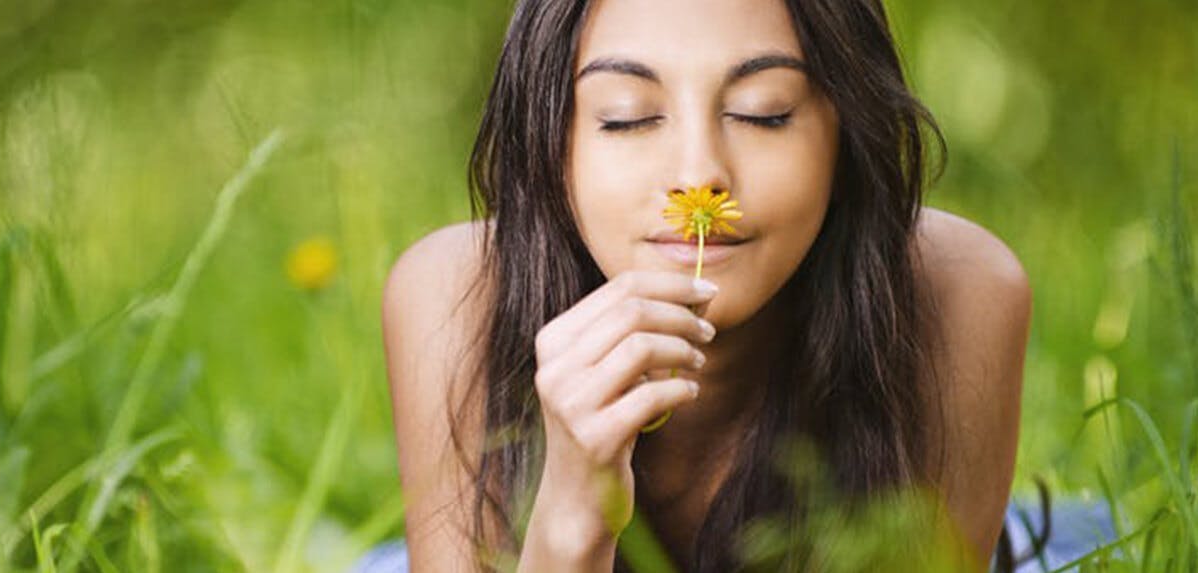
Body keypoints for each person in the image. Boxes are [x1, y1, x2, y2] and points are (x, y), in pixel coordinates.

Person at [381, 0, 1032, 571]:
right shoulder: (454, 295)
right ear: (551, 140)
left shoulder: (962, 290)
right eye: (627, 117)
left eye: (763, 113)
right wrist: (571, 522)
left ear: (847, 129)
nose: (698, 175)